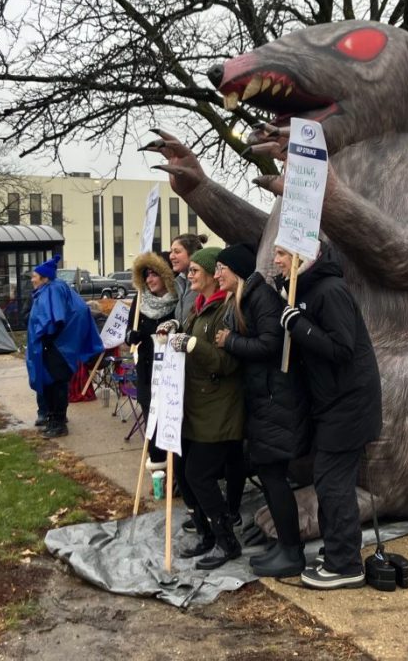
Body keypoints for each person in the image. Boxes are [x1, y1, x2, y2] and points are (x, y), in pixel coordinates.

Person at [273, 244, 382, 590]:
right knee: (327, 480)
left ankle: (346, 564)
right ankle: (337, 548)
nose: (276, 260)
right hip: (331, 404)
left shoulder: (331, 290)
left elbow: (341, 348)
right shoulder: (306, 290)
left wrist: (299, 325)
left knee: (333, 484)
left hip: (348, 405)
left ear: (302, 257)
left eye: (282, 253)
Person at [214, 243, 309, 577]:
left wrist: (231, 342)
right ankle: (285, 547)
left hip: (275, 400)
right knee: (269, 476)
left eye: (220, 268)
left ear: (236, 269)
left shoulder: (260, 298)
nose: (216, 275)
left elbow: (272, 345)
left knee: (272, 475)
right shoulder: (245, 298)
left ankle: (292, 552)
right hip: (263, 399)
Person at [165, 246, 245, 570]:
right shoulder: (198, 308)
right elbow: (188, 338)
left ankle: (227, 541)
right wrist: (174, 332)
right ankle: (206, 534)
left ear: (213, 275)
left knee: (199, 474)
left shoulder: (226, 310)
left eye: (196, 271)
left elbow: (229, 362)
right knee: (185, 474)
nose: (190, 275)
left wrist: (194, 345)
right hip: (196, 406)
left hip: (219, 409)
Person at [26, 255, 105, 438]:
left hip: (56, 347)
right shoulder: (54, 288)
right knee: (52, 384)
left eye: (34, 276)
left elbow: (54, 318)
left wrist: (47, 338)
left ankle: (58, 423)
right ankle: (54, 419)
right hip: (57, 346)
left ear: (44, 278)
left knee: (56, 384)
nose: (32, 279)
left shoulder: (51, 290)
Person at [124, 252, 178, 470]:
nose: (149, 280)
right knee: (152, 424)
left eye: (154, 274)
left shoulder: (177, 301)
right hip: (147, 375)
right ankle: (158, 468)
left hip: (171, 374)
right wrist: (131, 336)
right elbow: (129, 330)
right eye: (146, 275)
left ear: (166, 276)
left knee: (171, 425)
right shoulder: (140, 300)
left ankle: (175, 472)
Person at [169, 232, 209, 325]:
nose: (171, 256)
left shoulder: (204, 285)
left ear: (192, 254)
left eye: (177, 252)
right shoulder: (180, 283)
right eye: (171, 251)